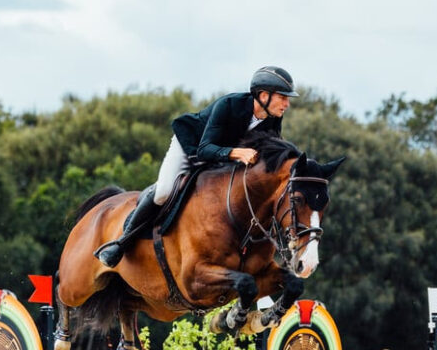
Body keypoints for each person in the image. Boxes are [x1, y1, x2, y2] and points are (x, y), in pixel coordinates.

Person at [95, 65, 298, 267]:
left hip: (221, 160)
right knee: (164, 192)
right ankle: (121, 243)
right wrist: (235, 153)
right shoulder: (228, 105)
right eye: (283, 97)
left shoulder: (272, 121)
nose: (287, 104)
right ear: (264, 96)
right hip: (190, 147)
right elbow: (204, 149)